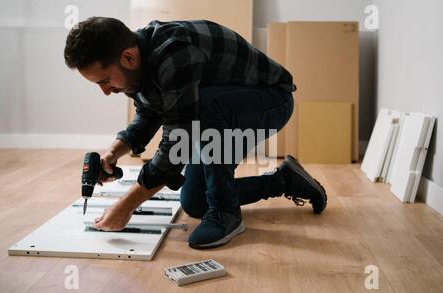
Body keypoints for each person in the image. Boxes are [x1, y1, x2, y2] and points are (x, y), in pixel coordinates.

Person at [64, 17, 327, 249]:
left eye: (105, 81)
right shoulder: (135, 66)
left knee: (202, 109)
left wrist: (128, 203)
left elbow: (179, 140)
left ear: (128, 58)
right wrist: (115, 151)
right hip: (222, 112)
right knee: (195, 201)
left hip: (272, 101)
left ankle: (227, 214)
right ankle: (284, 180)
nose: (106, 91)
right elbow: (148, 112)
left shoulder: (174, 53)